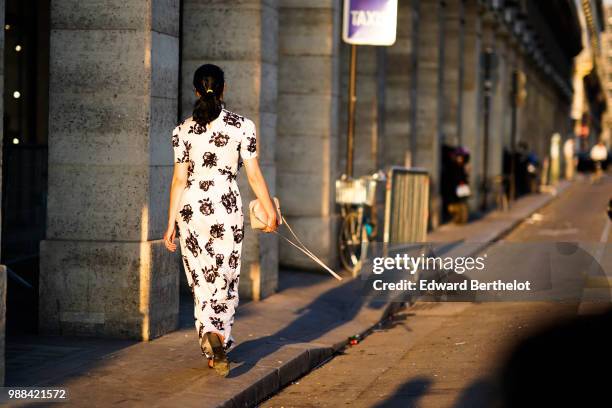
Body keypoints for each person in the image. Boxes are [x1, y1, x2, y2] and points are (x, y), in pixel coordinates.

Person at [163, 64, 278, 377]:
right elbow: (253, 174)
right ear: (223, 89)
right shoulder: (243, 126)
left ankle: (208, 339)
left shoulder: (181, 130)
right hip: (224, 205)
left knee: (201, 275)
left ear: (196, 90)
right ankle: (217, 333)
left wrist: (170, 222)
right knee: (224, 275)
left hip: (190, 208)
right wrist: (269, 210)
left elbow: (177, 180)